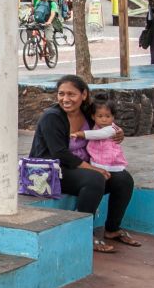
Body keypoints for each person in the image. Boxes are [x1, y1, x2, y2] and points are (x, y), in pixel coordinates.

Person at [29, 75, 139, 252]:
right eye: (61, 94)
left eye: (71, 94)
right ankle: (82, 232)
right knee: (95, 179)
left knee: (123, 179)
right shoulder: (52, 117)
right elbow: (60, 153)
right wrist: (93, 168)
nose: (66, 99)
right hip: (50, 171)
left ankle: (112, 229)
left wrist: (119, 133)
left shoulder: (88, 113)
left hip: (78, 168)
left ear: (84, 95)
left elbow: (106, 125)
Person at [71, 96, 128, 176]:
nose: (104, 120)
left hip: (110, 163)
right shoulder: (95, 126)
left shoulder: (112, 129)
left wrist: (80, 134)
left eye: (108, 116)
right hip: (97, 161)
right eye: (100, 116)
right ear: (93, 117)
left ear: (113, 117)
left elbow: (99, 134)